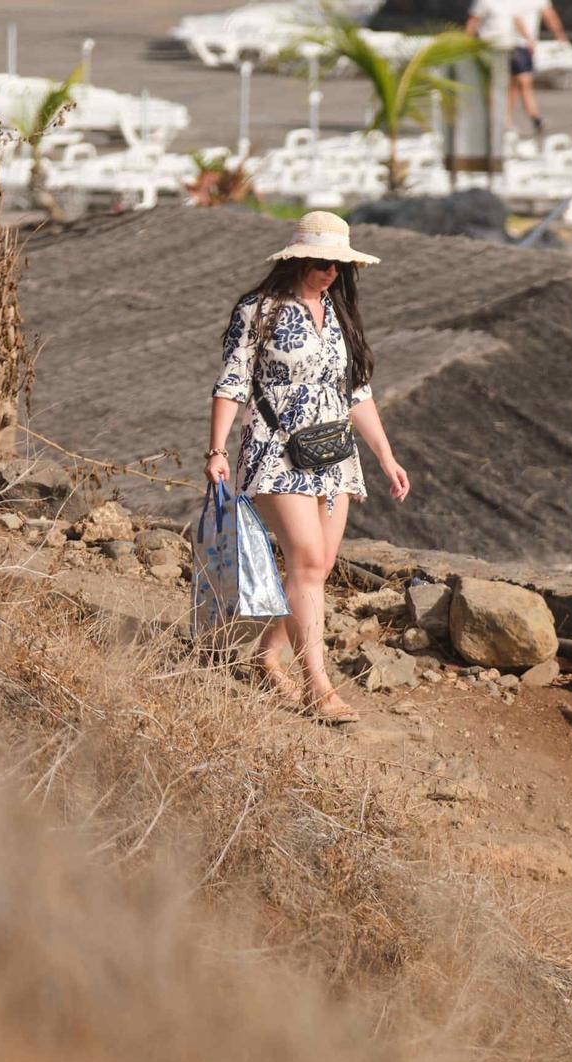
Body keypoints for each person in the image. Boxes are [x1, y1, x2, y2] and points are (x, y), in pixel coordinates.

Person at [205, 213, 411, 725]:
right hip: (276, 451)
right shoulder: (258, 311)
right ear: (297, 258)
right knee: (307, 558)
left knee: (316, 569)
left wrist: (386, 456)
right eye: (321, 262)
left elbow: (355, 392)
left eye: (338, 265)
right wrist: (217, 450)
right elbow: (231, 381)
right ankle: (319, 687)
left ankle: (265, 655)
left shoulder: (338, 314)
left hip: (335, 456)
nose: (329, 272)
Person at [465, 0, 568, 137]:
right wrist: (466, 45)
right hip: (490, 49)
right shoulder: (484, 2)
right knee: (495, 86)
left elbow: (517, 19)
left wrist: (528, 39)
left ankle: (507, 119)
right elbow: (473, 22)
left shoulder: (509, 3)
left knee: (514, 84)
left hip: (509, 47)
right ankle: (492, 121)